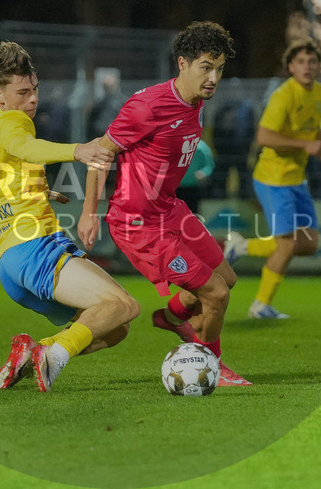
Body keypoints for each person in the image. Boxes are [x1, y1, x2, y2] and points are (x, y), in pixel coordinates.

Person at [0, 41, 140, 392]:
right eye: (23, 92)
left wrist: (32, 190)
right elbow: (24, 147)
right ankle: (50, 353)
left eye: (35, 89)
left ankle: (34, 353)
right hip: (32, 248)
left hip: (6, 265)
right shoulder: (14, 122)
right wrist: (78, 151)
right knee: (124, 305)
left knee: (114, 327)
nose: (33, 99)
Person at [78, 21, 251, 386]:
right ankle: (211, 369)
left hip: (170, 209)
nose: (214, 78)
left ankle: (171, 318)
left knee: (227, 279)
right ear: (182, 64)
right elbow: (100, 151)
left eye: (219, 69)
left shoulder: (197, 103)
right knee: (215, 294)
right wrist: (89, 212)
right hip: (136, 222)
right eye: (206, 67)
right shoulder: (147, 106)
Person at [222, 38, 321, 319]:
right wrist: (303, 146)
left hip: (296, 179)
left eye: (312, 62)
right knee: (285, 245)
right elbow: (263, 137)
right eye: (301, 62)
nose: (307, 67)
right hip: (273, 179)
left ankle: (242, 246)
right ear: (290, 67)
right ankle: (260, 306)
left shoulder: (319, 92)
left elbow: (313, 129)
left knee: (308, 243)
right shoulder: (284, 96)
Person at [176, 138, 215, 213]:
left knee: (193, 212)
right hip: (177, 187)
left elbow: (209, 165)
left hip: (193, 187)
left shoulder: (201, 147)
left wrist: (204, 172)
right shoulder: (177, 145)